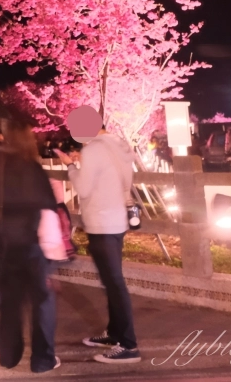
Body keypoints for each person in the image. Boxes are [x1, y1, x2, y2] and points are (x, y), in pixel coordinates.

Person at [57, 126, 141, 364]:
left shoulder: (94, 149)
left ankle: (128, 345)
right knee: (111, 282)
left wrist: (71, 166)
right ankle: (114, 334)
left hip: (103, 223)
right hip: (116, 221)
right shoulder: (119, 145)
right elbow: (106, 177)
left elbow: (83, 188)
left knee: (114, 283)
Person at [0, 126, 61, 373]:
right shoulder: (34, 169)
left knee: (9, 304)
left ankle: (9, 355)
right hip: (34, 247)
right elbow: (50, 206)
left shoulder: (1, 169)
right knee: (42, 304)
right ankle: (42, 359)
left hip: (7, 247)